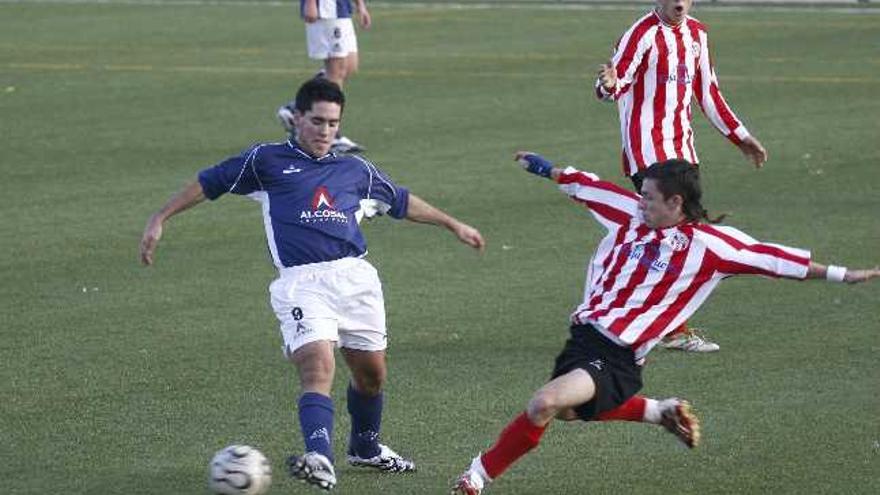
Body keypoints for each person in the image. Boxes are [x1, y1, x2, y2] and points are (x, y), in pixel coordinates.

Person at [451, 152, 878, 495]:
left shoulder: (711, 247)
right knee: (565, 412)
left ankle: (475, 477)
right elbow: (587, 186)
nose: (640, 203)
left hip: (619, 355)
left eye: (650, 198)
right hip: (583, 339)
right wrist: (545, 168)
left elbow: (774, 260)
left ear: (675, 203)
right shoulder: (629, 215)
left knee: (544, 404)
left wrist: (843, 274)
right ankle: (659, 411)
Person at [140, 78, 486, 491]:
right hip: (302, 283)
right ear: (298, 118)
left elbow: (401, 200)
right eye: (317, 121)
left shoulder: (354, 169)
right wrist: (160, 217)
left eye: (333, 124)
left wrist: (452, 224)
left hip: (356, 278)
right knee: (317, 365)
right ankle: (320, 457)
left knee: (372, 375)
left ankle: (365, 447)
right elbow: (210, 181)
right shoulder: (266, 161)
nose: (325, 131)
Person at [596, 0, 769, 352]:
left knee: (667, 237)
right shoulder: (640, 35)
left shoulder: (697, 34)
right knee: (679, 234)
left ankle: (620, 308)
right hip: (647, 151)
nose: (680, 3)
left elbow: (708, 93)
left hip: (683, 149)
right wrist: (607, 85)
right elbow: (615, 84)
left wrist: (740, 135)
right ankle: (670, 329)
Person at [277, 0, 372, 153]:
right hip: (326, 9)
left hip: (341, 8)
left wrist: (360, 5)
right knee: (336, 71)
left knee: (350, 66)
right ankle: (334, 136)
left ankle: (295, 106)